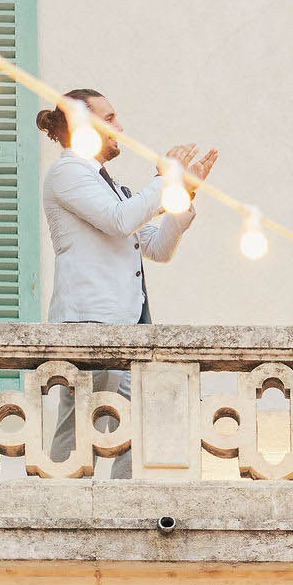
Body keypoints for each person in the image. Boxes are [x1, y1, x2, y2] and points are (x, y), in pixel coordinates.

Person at [39, 88, 216, 479]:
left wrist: (184, 191)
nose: (120, 127)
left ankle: (122, 503)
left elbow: (156, 247)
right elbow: (120, 220)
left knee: (141, 421)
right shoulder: (68, 172)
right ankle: (58, 505)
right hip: (91, 324)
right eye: (111, 117)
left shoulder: (107, 183)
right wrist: (163, 178)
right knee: (81, 425)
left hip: (126, 327)